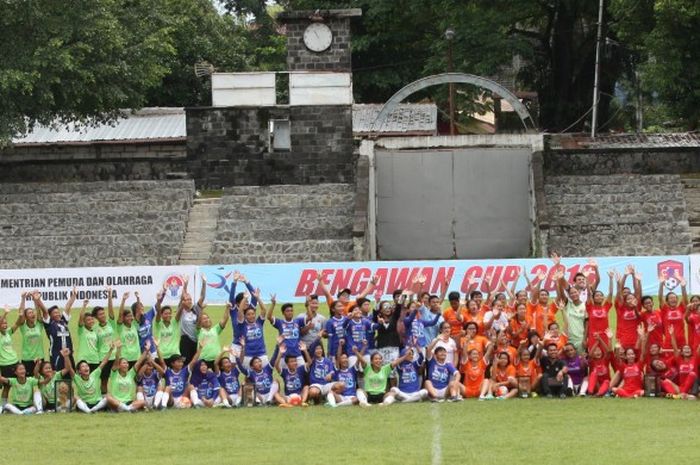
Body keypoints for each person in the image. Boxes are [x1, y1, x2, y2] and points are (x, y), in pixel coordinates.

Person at [35, 288, 75, 371]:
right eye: (55, 313)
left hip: (68, 354)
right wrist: (38, 300)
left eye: (58, 312)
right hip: (57, 354)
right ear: (51, 316)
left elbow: (68, 307)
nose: (57, 314)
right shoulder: (49, 324)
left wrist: (73, 296)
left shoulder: (63, 321)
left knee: (70, 376)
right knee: (58, 378)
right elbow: (45, 311)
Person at [105, 340, 149, 412]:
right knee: (108, 397)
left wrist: (146, 351)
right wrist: (118, 349)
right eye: (124, 363)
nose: (126, 365)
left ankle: (124, 409)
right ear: (119, 366)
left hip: (128, 402)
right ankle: (127, 409)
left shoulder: (130, 374)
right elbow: (116, 360)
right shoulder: (114, 374)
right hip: (117, 402)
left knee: (143, 401)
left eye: (127, 363)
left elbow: (139, 362)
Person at [73, 343, 115, 414]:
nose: (86, 367)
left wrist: (110, 350)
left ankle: (93, 409)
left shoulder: (94, 374)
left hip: (97, 403)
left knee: (107, 397)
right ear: (79, 371)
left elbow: (104, 361)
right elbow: (70, 369)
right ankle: (89, 411)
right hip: (85, 403)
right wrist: (66, 356)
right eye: (83, 366)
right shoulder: (77, 378)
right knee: (75, 397)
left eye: (87, 366)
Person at [237, 337, 279, 406]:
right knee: (249, 387)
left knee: (276, 381)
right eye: (256, 362)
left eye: (259, 361)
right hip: (259, 395)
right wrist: (237, 356)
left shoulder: (267, 368)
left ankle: (269, 400)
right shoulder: (251, 373)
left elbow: (274, 358)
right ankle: (258, 402)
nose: (259, 363)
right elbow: (241, 368)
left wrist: (277, 345)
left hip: (269, 394)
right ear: (252, 366)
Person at [326, 339, 369, 407]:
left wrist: (363, 347)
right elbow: (338, 356)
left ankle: (336, 405)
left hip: (352, 396)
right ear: (339, 361)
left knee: (359, 391)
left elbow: (359, 359)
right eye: (343, 358)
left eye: (346, 358)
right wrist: (340, 345)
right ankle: (333, 404)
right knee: (330, 392)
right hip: (341, 396)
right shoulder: (337, 371)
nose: (345, 360)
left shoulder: (352, 370)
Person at [159, 343, 202, 409]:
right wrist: (157, 348)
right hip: (171, 399)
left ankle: (196, 404)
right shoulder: (168, 371)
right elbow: (162, 361)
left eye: (181, 362)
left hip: (182, 397)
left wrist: (200, 348)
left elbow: (193, 361)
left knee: (191, 386)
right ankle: (163, 406)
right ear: (172, 363)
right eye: (178, 362)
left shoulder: (184, 371)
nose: (181, 364)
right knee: (168, 388)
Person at [235, 290, 270, 368]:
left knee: (266, 375)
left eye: (253, 314)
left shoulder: (259, 322)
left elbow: (264, 310)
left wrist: (257, 298)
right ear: (245, 316)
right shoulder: (242, 324)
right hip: (248, 355)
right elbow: (240, 311)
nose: (251, 316)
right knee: (249, 378)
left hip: (262, 354)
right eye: (248, 314)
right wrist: (244, 299)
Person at [555, 268, 587, 352]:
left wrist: (585, 338)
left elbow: (587, 323)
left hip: (580, 339)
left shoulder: (585, 306)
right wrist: (558, 280)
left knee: (581, 363)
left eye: (575, 292)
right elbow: (561, 295)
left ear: (579, 293)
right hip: (568, 339)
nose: (573, 294)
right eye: (571, 293)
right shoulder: (568, 304)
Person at [611, 326, 647, 398]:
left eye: (632, 354)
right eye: (628, 354)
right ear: (626, 356)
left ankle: (626, 396)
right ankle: (631, 396)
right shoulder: (624, 366)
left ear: (634, 356)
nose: (630, 356)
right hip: (625, 390)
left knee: (643, 392)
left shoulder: (639, 364)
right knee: (613, 389)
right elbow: (618, 358)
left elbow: (643, 353)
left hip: (637, 390)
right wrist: (617, 346)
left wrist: (642, 338)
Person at [179, 275, 207, 364]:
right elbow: (183, 295)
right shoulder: (182, 310)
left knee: (195, 364)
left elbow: (202, 297)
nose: (189, 301)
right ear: (183, 301)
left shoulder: (196, 308)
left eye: (190, 299)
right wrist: (185, 284)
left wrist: (204, 283)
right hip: (185, 340)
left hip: (196, 340)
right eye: (187, 299)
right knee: (185, 363)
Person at [35, 348, 73, 413]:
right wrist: (38, 364)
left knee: (71, 396)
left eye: (50, 368)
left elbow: (67, 368)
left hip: (57, 402)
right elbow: (35, 372)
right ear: (42, 371)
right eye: (46, 368)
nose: (48, 370)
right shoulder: (41, 378)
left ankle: (60, 408)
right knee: (37, 392)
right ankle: (41, 410)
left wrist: (66, 356)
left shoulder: (56, 375)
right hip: (46, 403)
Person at [274, 341, 310, 407]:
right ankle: (286, 404)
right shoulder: (285, 372)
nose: (295, 363)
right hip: (288, 397)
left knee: (306, 387)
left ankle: (303, 402)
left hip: (299, 396)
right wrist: (280, 353)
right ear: (287, 364)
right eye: (292, 362)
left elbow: (309, 363)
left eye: (295, 361)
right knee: (276, 393)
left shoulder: (300, 369)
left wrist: (305, 351)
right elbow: (276, 365)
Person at [16, 292, 45, 376]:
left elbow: (38, 311)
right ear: (26, 317)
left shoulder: (39, 325)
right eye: (29, 313)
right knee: (29, 382)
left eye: (32, 312)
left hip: (40, 357)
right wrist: (23, 298)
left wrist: (35, 300)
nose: (32, 314)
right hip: (27, 359)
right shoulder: (23, 327)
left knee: (40, 381)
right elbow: (21, 313)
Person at [659, 271, 688, 349]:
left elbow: (685, 299)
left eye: (675, 298)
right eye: (671, 298)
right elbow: (660, 297)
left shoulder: (681, 308)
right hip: (669, 342)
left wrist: (683, 286)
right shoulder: (665, 309)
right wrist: (661, 284)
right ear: (667, 301)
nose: (673, 299)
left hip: (681, 341)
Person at [269, 302, 304, 369]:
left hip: (297, 355)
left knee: (302, 374)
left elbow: (310, 317)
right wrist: (273, 304)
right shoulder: (279, 322)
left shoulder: (298, 321)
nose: (290, 312)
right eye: (287, 311)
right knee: (286, 376)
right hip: (284, 356)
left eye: (291, 310)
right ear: (283, 313)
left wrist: (307, 304)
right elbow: (269, 317)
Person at [95, 288, 117, 393]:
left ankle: (118, 399)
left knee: (117, 379)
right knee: (104, 381)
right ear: (96, 317)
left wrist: (109, 295)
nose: (103, 315)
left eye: (103, 313)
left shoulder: (110, 323)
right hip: (102, 357)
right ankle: (104, 400)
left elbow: (111, 310)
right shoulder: (94, 328)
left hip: (114, 356)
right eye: (100, 314)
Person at [585, 271, 614, 351]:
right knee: (593, 356)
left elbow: (611, 293)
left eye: (601, 295)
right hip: (593, 336)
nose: (599, 297)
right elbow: (588, 293)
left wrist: (611, 279)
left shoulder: (606, 307)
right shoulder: (590, 307)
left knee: (606, 354)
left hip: (605, 335)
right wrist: (586, 279)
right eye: (597, 296)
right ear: (593, 298)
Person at [615, 267, 642, 350]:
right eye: (628, 298)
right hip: (623, 338)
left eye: (631, 297)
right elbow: (619, 291)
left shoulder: (636, 306)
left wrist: (634, 276)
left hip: (636, 339)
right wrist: (625, 276)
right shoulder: (621, 307)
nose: (630, 300)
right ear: (625, 300)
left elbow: (638, 291)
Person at [197, 303, 230, 369]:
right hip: (204, 361)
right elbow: (198, 322)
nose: (207, 320)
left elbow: (225, 319)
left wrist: (227, 308)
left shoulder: (215, 329)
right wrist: (201, 310)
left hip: (217, 360)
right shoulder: (199, 331)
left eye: (207, 318)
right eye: (204, 319)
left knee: (219, 378)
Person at [0, 304, 21, 408]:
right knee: (7, 387)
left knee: (19, 384)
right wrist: (6, 313)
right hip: (5, 364)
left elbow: (17, 324)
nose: (4, 324)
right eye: (2, 323)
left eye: (5, 323)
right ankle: (3, 406)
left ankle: (19, 403)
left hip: (15, 362)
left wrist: (21, 315)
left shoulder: (8, 332)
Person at [136, 342, 166, 409]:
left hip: (154, 398)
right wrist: (147, 363)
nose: (149, 367)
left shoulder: (155, 373)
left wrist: (152, 362)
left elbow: (163, 373)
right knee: (139, 388)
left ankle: (155, 406)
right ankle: (144, 407)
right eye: (147, 366)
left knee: (161, 387)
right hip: (144, 398)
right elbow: (138, 375)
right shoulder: (141, 374)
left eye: (151, 366)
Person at [117, 293, 141, 368]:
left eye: (131, 316)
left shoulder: (134, 324)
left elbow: (138, 312)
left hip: (136, 357)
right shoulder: (120, 327)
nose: (130, 318)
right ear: (123, 318)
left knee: (136, 379)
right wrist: (123, 300)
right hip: (125, 358)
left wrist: (138, 298)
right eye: (128, 316)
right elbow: (120, 314)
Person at [587, 331, 613, 397]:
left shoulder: (605, 360)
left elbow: (608, 351)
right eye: (595, 351)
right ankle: (590, 392)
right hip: (596, 385)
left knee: (607, 381)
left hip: (605, 385)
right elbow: (590, 354)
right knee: (593, 374)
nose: (597, 352)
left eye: (599, 350)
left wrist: (600, 339)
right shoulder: (592, 361)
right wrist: (597, 342)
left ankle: (599, 394)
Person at [77, 299, 101, 373]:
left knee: (94, 382)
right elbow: (80, 318)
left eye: (92, 319)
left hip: (95, 360)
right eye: (88, 320)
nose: (91, 321)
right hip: (84, 360)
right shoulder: (82, 331)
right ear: (84, 322)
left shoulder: (95, 331)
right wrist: (84, 306)